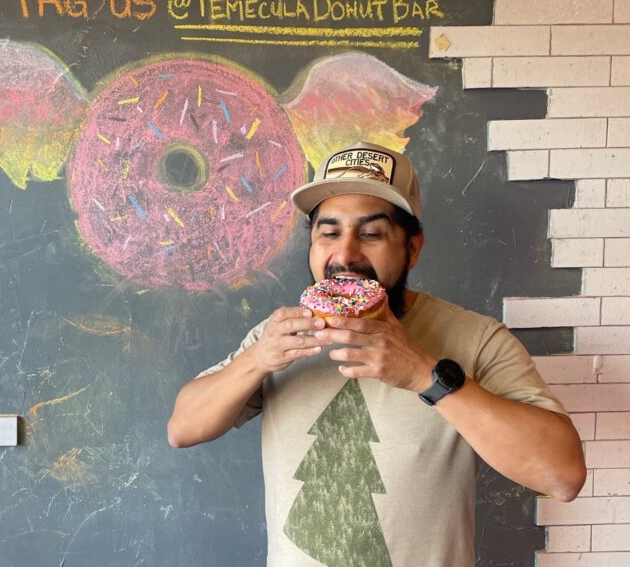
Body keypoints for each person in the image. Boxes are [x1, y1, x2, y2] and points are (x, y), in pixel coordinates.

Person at [167, 141, 586, 567]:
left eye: (371, 234)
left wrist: (426, 375)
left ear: (413, 248)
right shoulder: (280, 335)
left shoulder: (477, 339)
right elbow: (182, 429)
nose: (346, 254)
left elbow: (563, 476)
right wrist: (257, 358)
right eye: (329, 233)